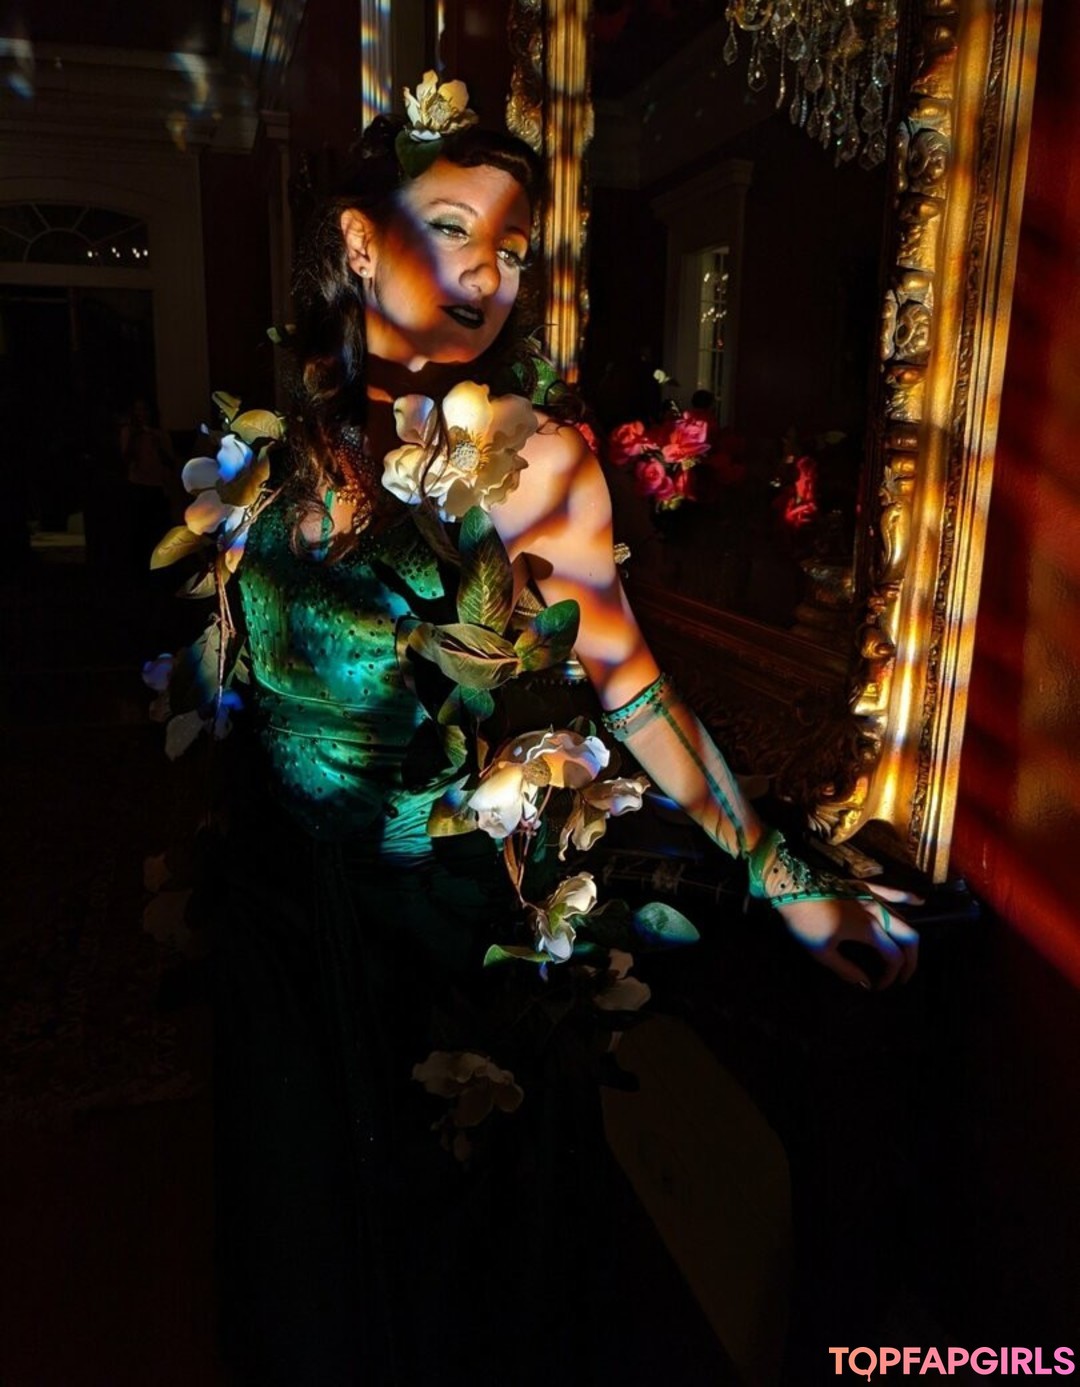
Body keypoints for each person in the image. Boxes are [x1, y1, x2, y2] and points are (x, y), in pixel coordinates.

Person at [204, 78, 918, 1386]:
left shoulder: (538, 461)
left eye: (514, 246)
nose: (490, 272)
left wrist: (784, 875)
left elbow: (633, 689)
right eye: (453, 229)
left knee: (447, 1272)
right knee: (305, 1252)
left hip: (435, 937)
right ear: (358, 241)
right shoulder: (284, 446)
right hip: (283, 924)